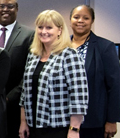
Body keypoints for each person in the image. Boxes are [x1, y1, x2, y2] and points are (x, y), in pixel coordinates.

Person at [18, 10, 89, 138]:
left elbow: (79, 96)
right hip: (33, 126)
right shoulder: (33, 55)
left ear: (60, 30)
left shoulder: (69, 55)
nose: (43, 31)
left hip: (58, 128)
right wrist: (23, 122)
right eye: (40, 27)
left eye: (49, 27)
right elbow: (24, 94)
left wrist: (74, 130)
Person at [69, 5, 120, 138]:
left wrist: (112, 120)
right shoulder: (61, 46)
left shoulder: (104, 47)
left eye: (85, 18)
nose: (80, 21)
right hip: (63, 119)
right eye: (76, 17)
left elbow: (115, 85)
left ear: (92, 21)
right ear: (70, 20)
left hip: (93, 121)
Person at [0, 0, 34, 138]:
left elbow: (30, 71)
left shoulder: (29, 35)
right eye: (1, 6)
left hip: (15, 106)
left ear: (17, 9)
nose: (5, 9)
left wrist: (9, 97)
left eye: (10, 6)